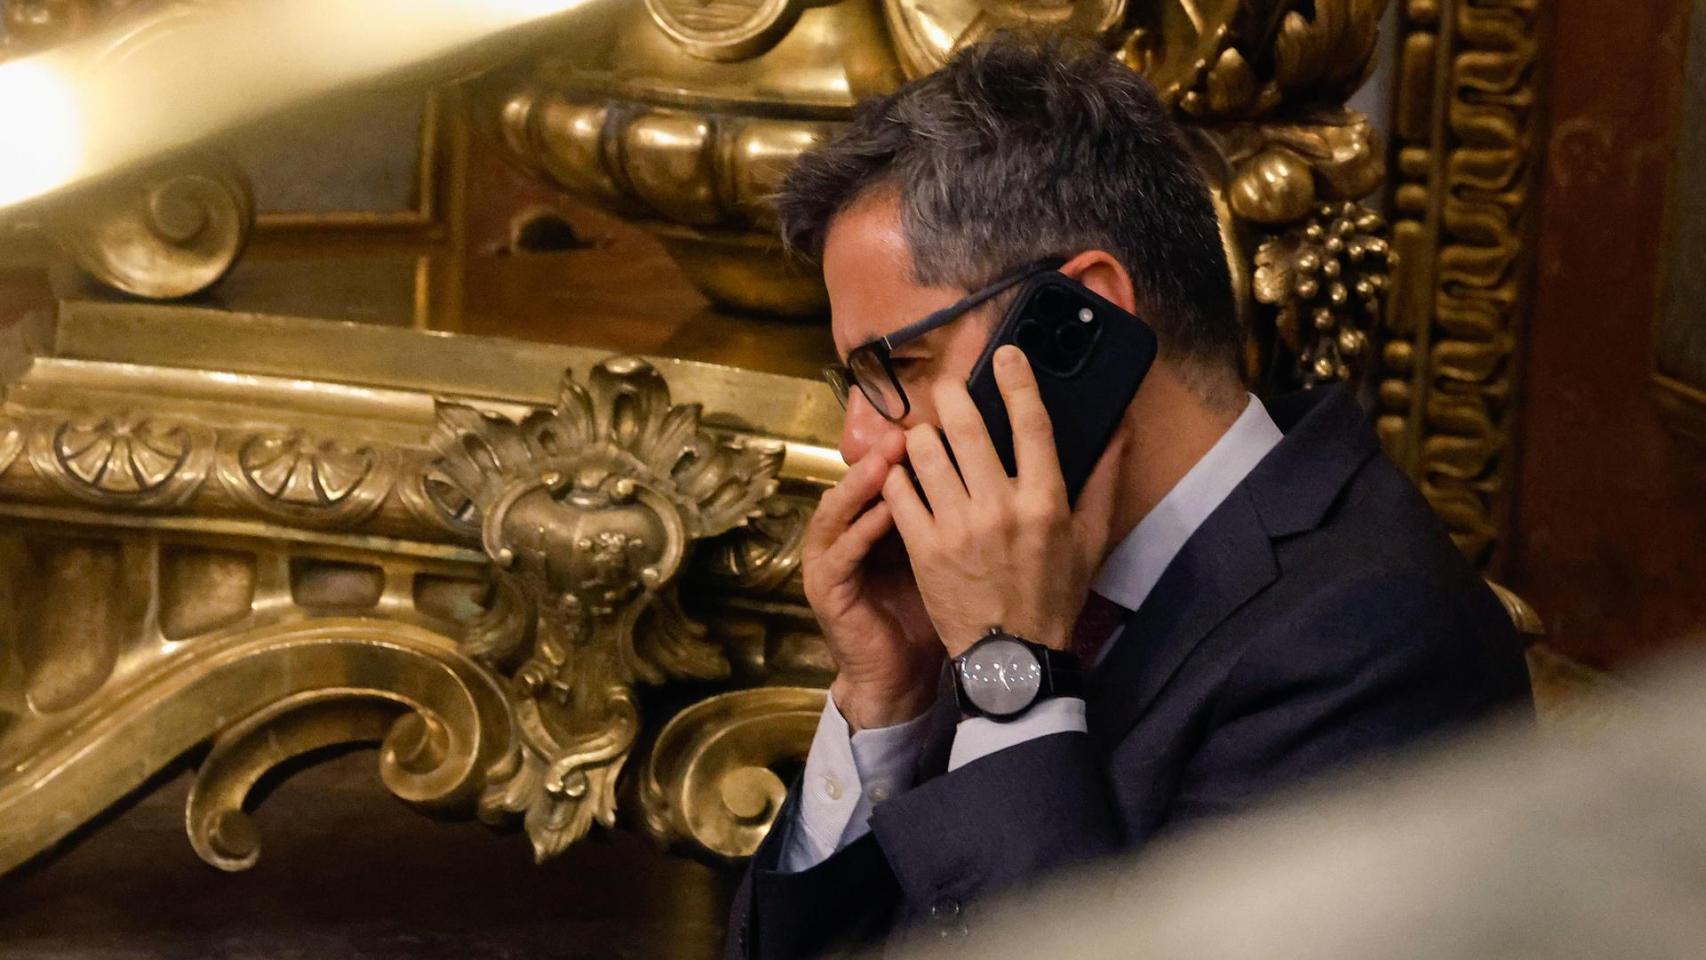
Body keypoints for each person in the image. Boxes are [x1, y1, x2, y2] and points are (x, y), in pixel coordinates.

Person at [726, 32, 1533, 960]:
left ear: (1083, 321)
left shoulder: (1378, 647)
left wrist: (1011, 678)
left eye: (898, 365)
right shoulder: (999, 571)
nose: (856, 441)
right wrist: (887, 703)